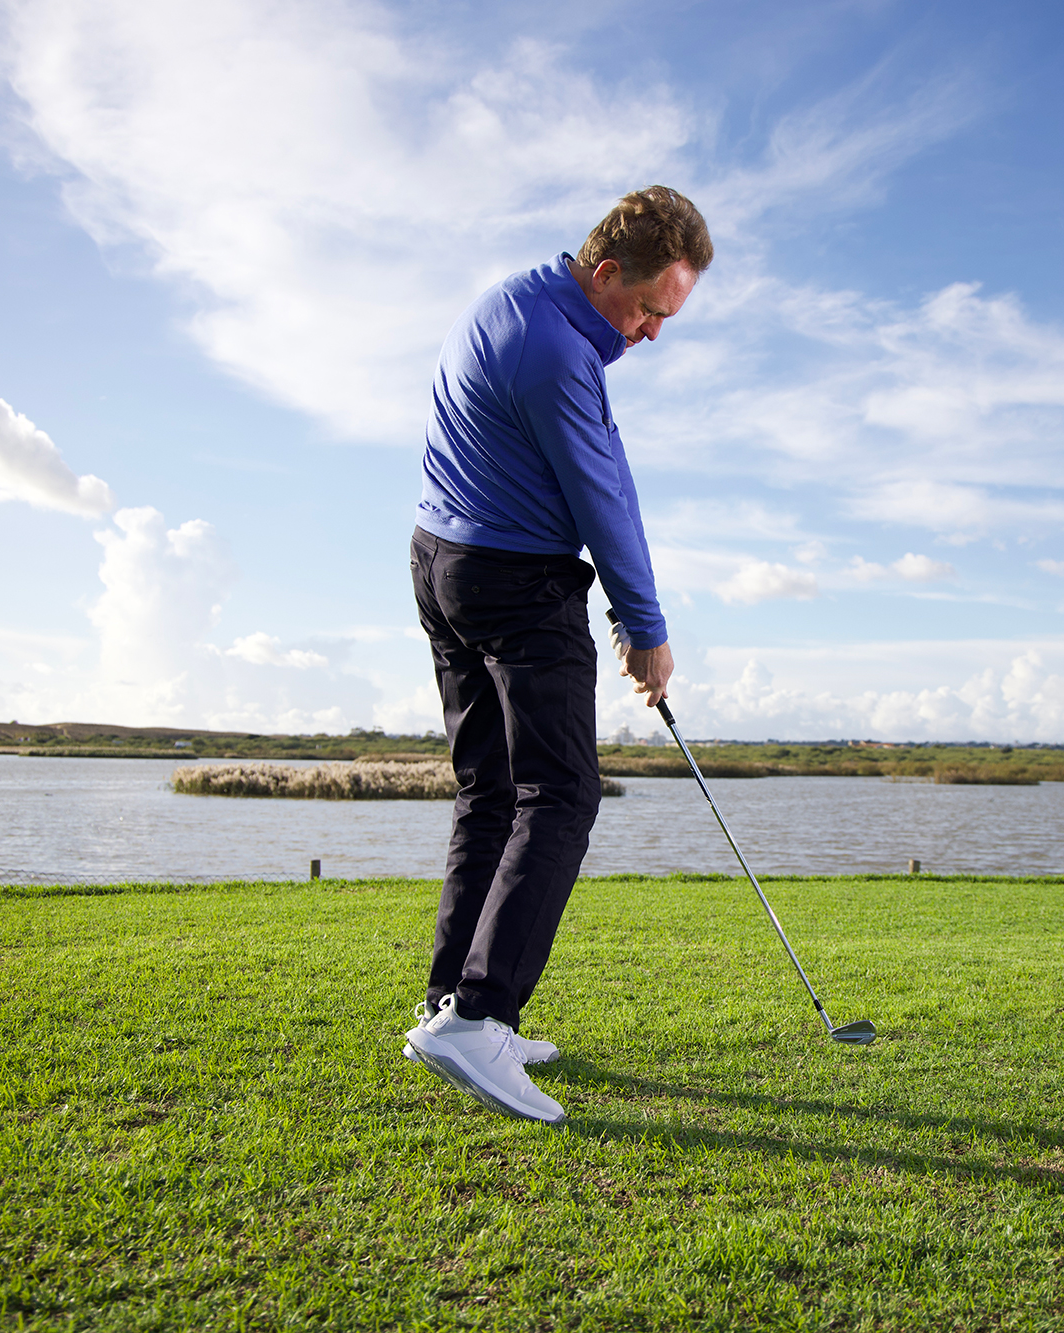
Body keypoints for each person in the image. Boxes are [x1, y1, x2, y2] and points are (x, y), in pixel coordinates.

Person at [401, 186, 712, 1123]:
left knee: (492, 792)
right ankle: (479, 1019)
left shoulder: (514, 301)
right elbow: (601, 496)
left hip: (441, 564)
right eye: (648, 309)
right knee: (564, 793)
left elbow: (596, 475)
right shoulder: (558, 352)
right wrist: (646, 628)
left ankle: (449, 1003)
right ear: (607, 272)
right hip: (515, 583)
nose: (651, 333)